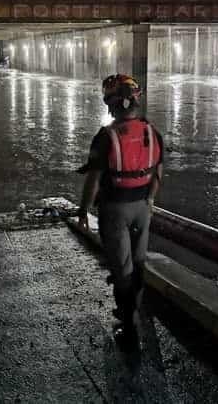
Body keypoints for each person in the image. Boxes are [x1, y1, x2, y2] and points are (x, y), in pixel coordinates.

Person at [77, 74, 164, 351]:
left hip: (115, 210)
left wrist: (83, 209)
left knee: (122, 268)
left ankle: (128, 324)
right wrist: (150, 199)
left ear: (111, 105)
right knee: (138, 264)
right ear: (136, 101)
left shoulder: (106, 136)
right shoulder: (152, 132)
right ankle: (133, 311)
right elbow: (159, 171)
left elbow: (93, 178)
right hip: (142, 209)